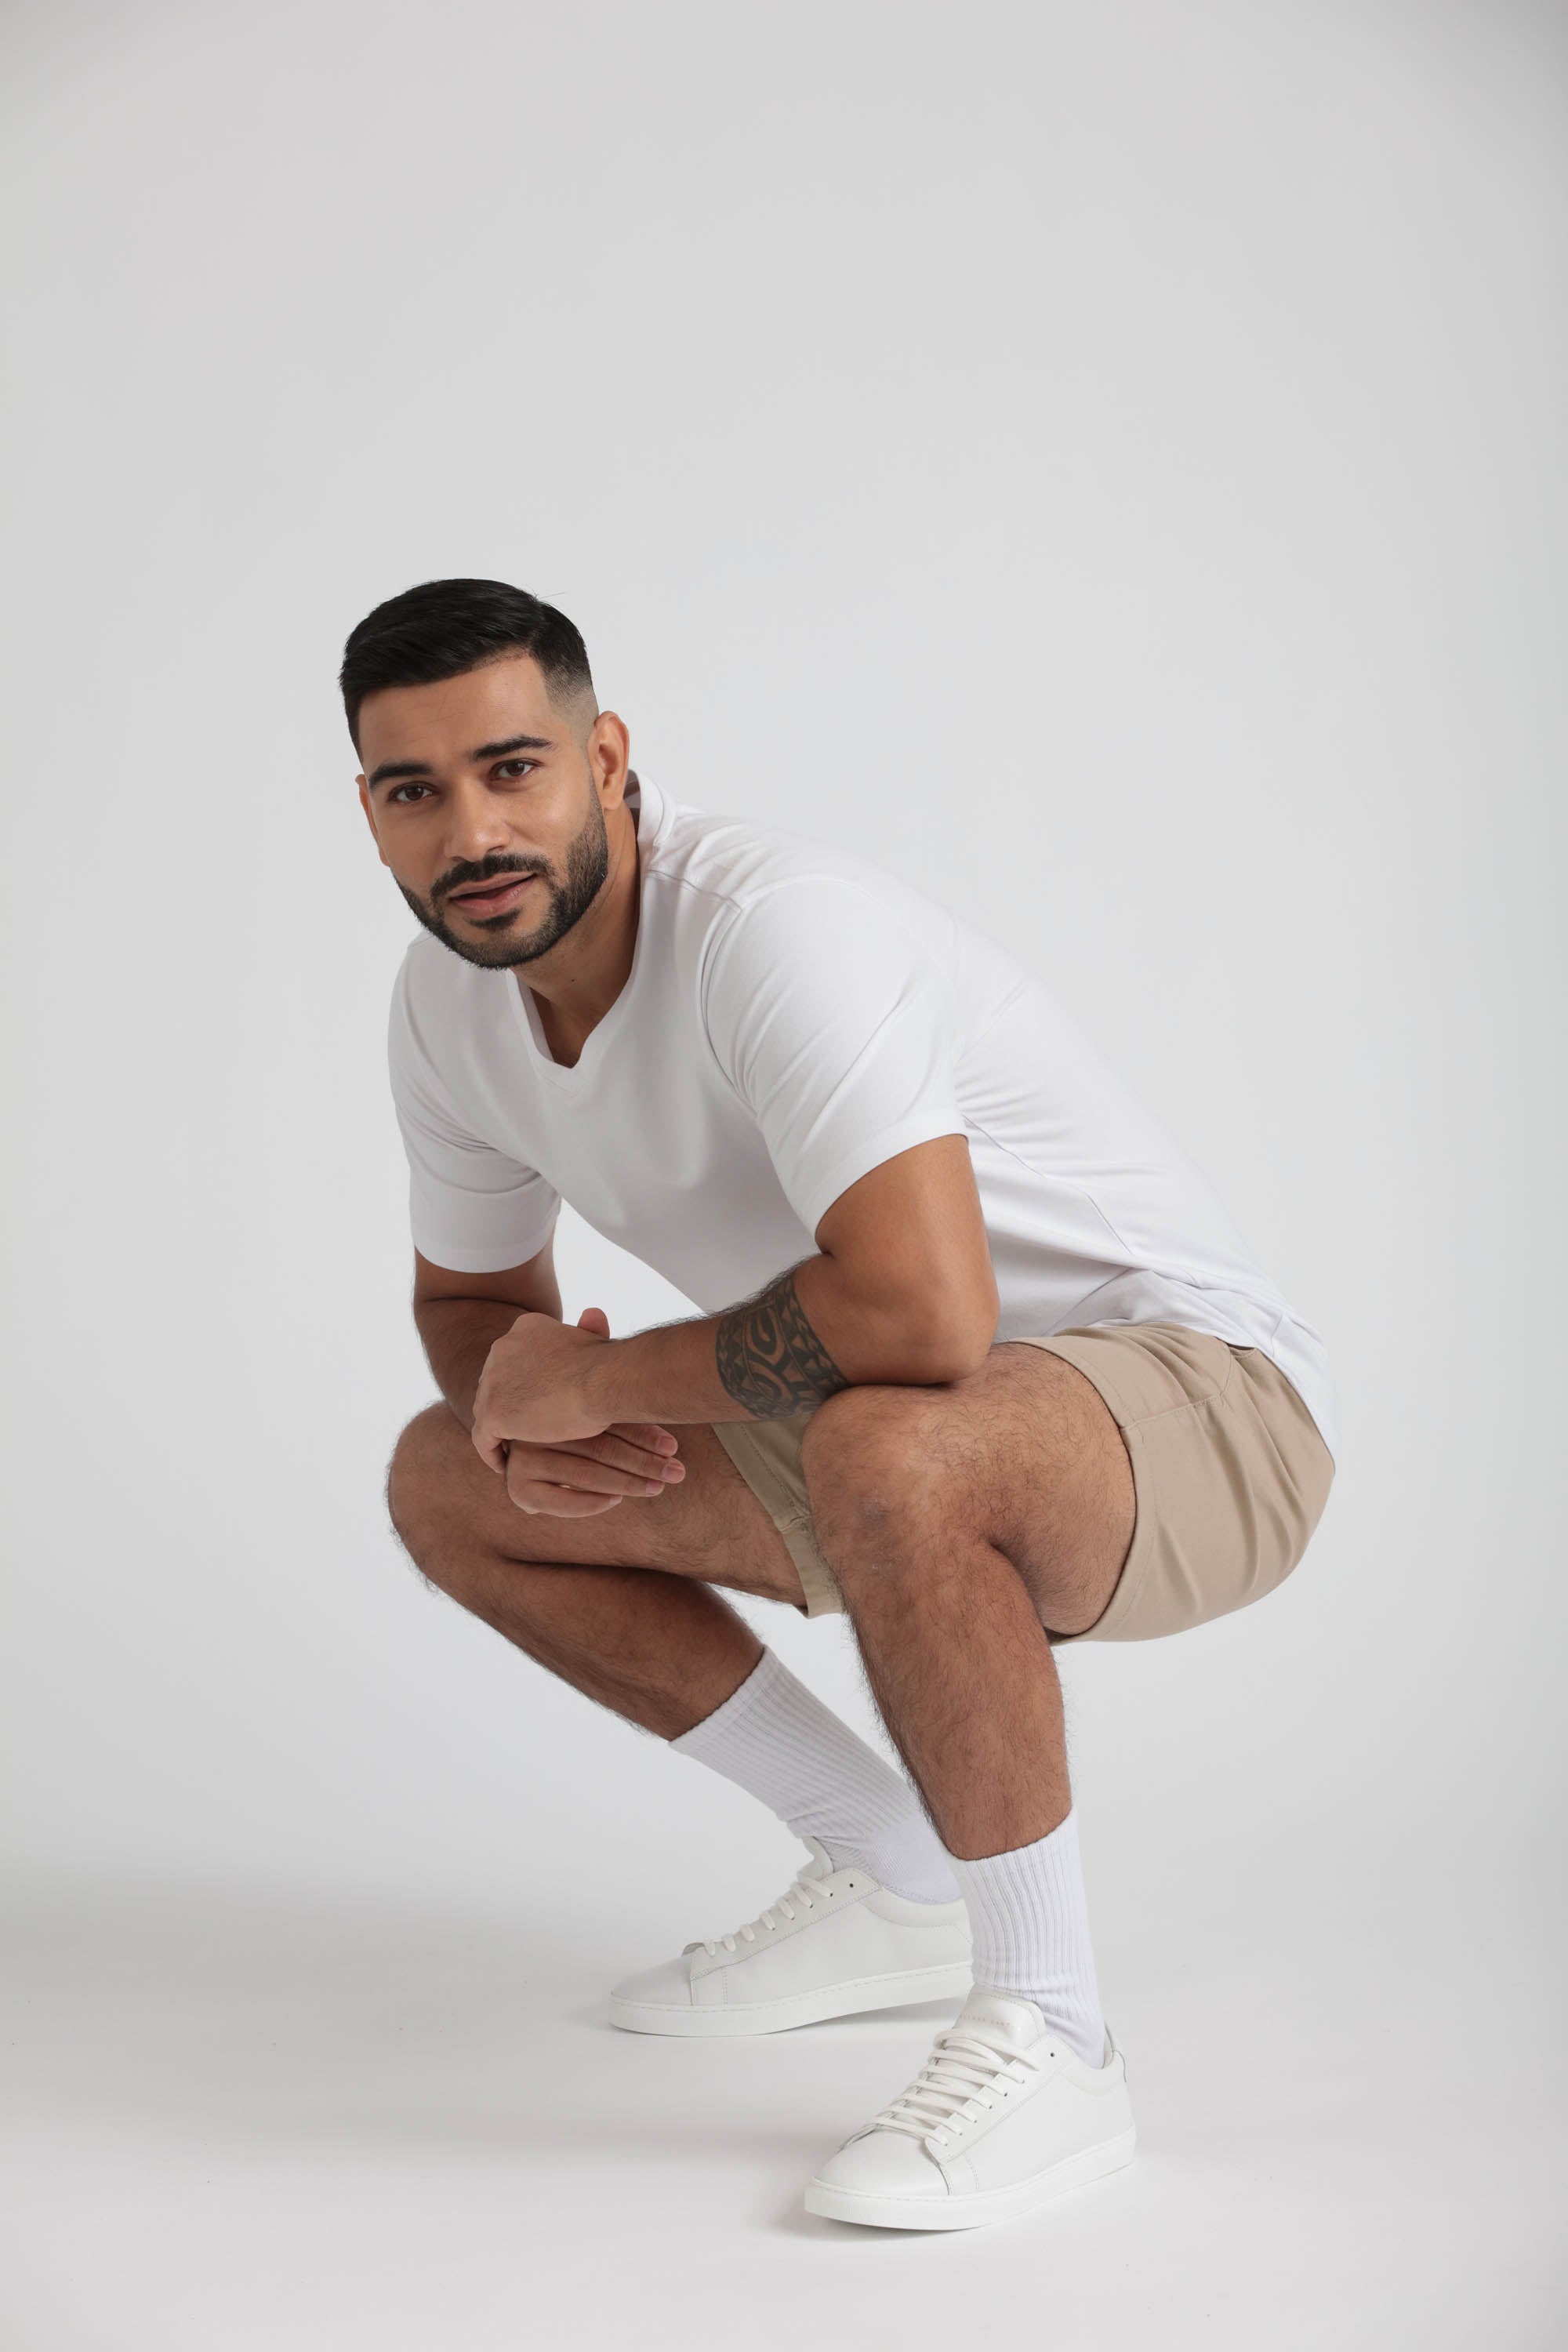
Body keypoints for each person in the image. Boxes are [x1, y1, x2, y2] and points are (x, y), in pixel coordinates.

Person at [345, 576, 1338, 2234]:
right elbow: (472, 1309)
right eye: (413, 791)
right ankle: (892, 1868)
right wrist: (523, 1419)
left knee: (896, 1437)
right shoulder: (445, 1010)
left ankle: (1059, 2038)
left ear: (606, 759)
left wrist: (599, 1377)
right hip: (903, 1417)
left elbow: (925, 1317)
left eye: (512, 769)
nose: (473, 832)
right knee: (452, 1479)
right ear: (371, 817)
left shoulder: (769, 930)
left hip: (1204, 1404)